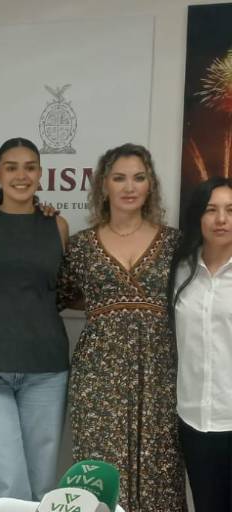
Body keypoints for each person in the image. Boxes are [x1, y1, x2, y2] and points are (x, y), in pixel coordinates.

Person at [58, 143, 187, 511]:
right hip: (99, 377)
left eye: (138, 178)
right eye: (119, 178)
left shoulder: (175, 243)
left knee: (160, 471)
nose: (130, 187)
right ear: (103, 185)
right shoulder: (80, 246)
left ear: (150, 185)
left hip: (160, 374)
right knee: (102, 474)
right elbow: (60, 296)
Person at [0, 138, 69, 511]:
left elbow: (60, 289)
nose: (21, 175)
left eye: (29, 167)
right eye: (11, 167)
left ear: (40, 174)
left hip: (45, 369)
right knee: (6, 485)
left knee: (42, 487)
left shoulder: (57, 225)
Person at [169, 176, 232, 512]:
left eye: (230, 210)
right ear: (198, 216)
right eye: (211, 210)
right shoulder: (180, 269)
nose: (221, 219)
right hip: (194, 420)